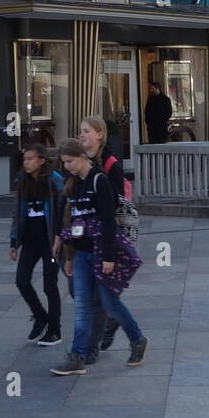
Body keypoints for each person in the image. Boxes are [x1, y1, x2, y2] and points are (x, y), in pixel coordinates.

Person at [51, 140, 147, 375]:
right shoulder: (73, 185)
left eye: (70, 161)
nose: (68, 167)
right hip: (82, 253)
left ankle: (137, 339)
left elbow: (107, 222)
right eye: (64, 163)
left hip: (101, 252)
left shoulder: (99, 180)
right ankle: (78, 357)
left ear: (83, 157)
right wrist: (69, 256)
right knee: (82, 306)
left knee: (109, 302)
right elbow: (74, 223)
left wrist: (108, 257)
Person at [78, 116, 126, 358]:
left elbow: (115, 205)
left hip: (104, 236)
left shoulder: (110, 164)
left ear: (100, 135)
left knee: (96, 295)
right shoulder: (78, 161)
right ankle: (110, 320)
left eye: (86, 131)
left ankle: (91, 346)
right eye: (80, 131)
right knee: (81, 292)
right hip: (83, 237)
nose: (82, 134)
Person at [10, 143, 65, 346]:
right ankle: (40, 316)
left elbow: (62, 210)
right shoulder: (23, 181)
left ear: (42, 160)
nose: (26, 162)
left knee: (49, 285)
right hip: (30, 240)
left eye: (30, 159)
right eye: (25, 159)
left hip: (51, 241)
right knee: (21, 280)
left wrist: (60, 236)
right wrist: (14, 241)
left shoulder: (55, 180)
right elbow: (17, 213)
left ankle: (55, 330)